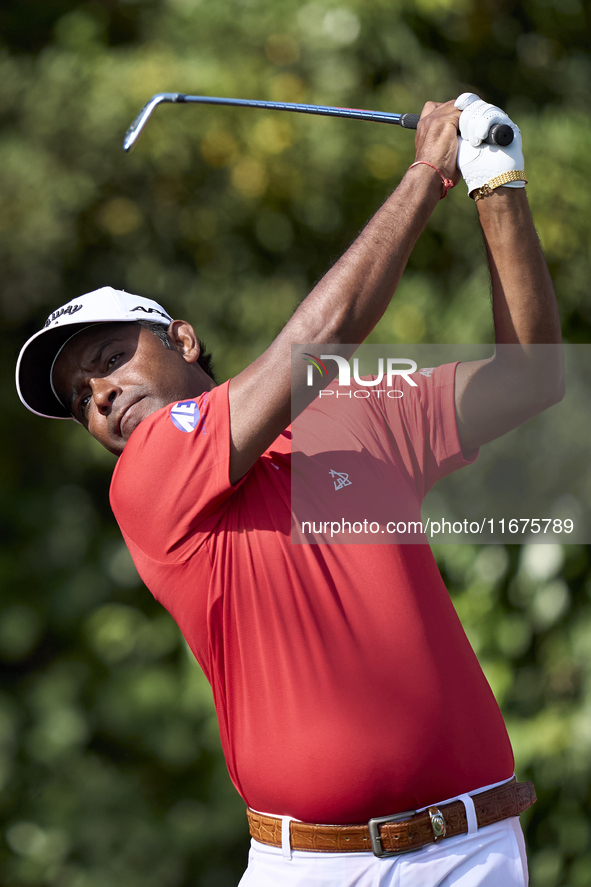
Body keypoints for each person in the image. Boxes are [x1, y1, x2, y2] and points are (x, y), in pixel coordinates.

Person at [16, 94, 563, 886]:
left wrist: (497, 185)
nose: (97, 394)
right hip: (310, 867)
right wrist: (426, 176)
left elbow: (531, 377)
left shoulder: (352, 414)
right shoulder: (146, 477)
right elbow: (320, 336)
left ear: (182, 340)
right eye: (77, 398)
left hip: (472, 851)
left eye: (107, 357)